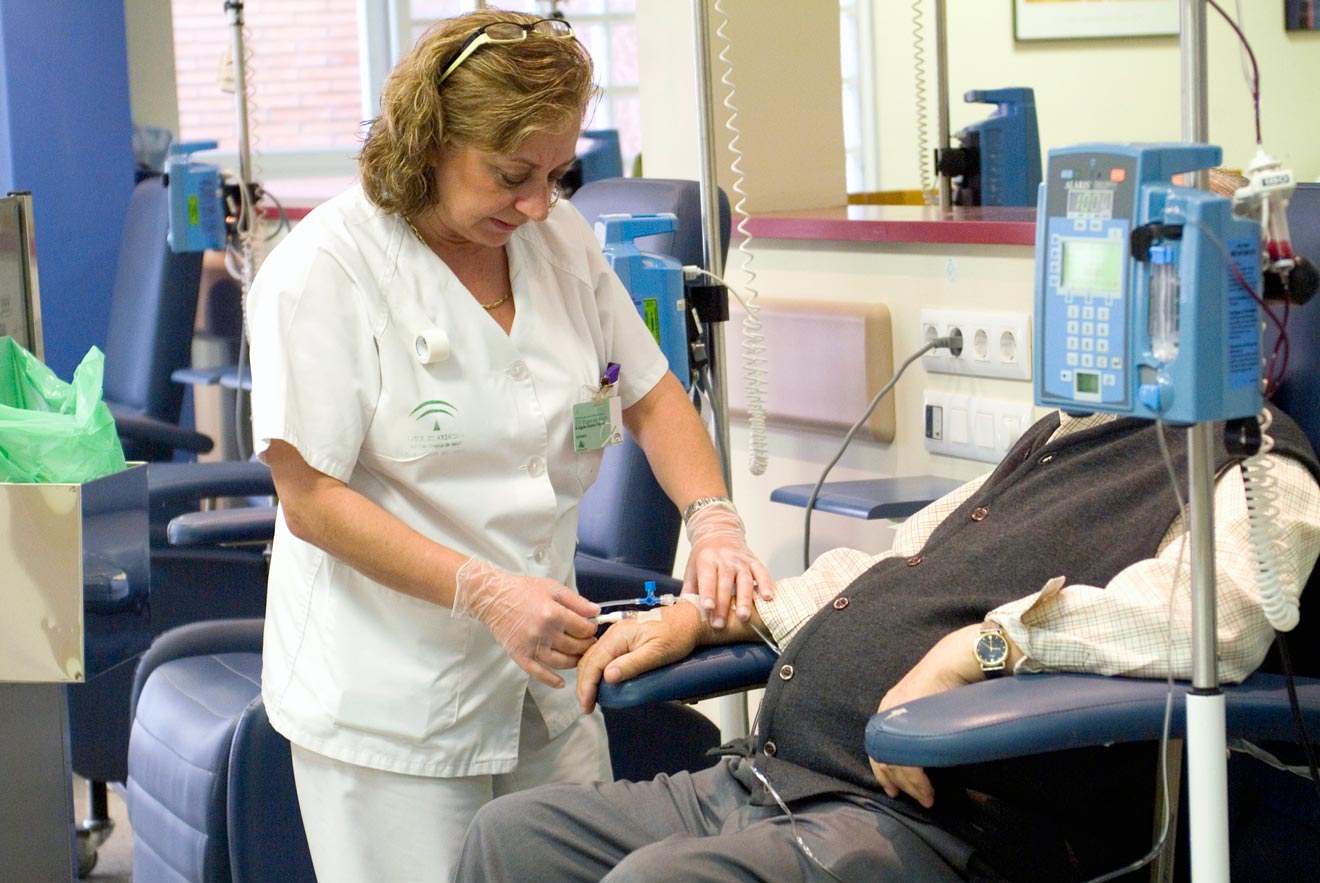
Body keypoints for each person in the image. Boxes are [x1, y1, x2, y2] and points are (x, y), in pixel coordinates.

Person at [244, 10, 771, 881]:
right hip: (395, 710)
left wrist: (714, 521)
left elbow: (649, 392)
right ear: (430, 139)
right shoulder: (325, 270)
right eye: (509, 174)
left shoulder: (556, 240)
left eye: (557, 175)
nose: (535, 202)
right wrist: (483, 590)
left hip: (551, 690)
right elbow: (309, 500)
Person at [456, 403, 1320, 882]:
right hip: (771, 774)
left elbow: (1213, 619)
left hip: (929, 822)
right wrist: (716, 615)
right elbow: (893, 563)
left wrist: (975, 651)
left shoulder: (1255, 466)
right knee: (512, 837)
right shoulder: (1064, 432)